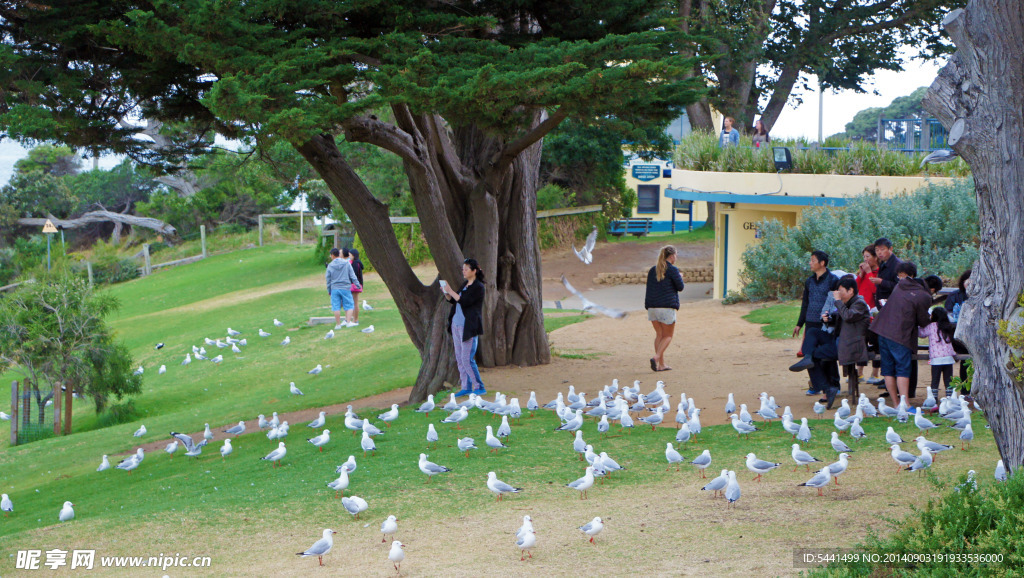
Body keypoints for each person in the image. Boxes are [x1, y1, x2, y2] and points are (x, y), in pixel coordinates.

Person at [868, 261, 932, 404]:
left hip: (881, 330)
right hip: (899, 334)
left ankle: (896, 403)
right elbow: (923, 320)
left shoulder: (899, 287)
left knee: (888, 369)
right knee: (902, 369)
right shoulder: (923, 295)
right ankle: (906, 404)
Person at [790, 251, 839, 395]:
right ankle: (817, 385)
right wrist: (800, 323)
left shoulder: (833, 280)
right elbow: (805, 303)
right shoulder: (809, 281)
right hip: (811, 322)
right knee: (808, 355)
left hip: (825, 324)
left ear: (822, 263)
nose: (810, 263)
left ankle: (834, 384)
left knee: (826, 356)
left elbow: (834, 303)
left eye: (812, 260)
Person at [442, 259, 486, 397]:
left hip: (469, 327)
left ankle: (479, 386)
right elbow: (454, 300)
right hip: (456, 325)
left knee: (467, 358)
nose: (463, 271)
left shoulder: (479, 287)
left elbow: (465, 301)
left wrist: (451, 290)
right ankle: (465, 386)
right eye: (463, 269)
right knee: (459, 358)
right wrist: (446, 293)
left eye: (466, 269)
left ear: (474, 271)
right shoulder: (465, 285)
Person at [644, 246, 685, 372]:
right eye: (676, 255)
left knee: (659, 335)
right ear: (672, 256)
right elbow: (680, 287)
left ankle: (661, 365)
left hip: (652, 307)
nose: (676, 258)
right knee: (668, 336)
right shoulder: (672, 270)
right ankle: (656, 358)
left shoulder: (652, 270)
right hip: (666, 307)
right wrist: (680, 277)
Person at [856, 245, 882, 385]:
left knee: (876, 341)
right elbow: (855, 288)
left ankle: (875, 373)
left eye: (868, 256)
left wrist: (869, 273)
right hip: (861, 311)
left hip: (875, 312)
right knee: (861, 340)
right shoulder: (865, 273)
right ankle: (859, 373)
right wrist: (861, 274)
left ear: (875, 258)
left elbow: (875, 290)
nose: (865, 260)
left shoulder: (879, 272)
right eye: (864, 257)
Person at [919, 307, 956, 399]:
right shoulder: (948, 326)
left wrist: (918, 325)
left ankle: (934, 400)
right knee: (948, 380)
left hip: (936, 359)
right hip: (948, 358)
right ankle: (950, 398)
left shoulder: (931, 326)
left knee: (935, 380)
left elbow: (921, 334)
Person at [326, 247, 360, 329]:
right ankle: (348, 322)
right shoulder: (346, 263)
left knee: (336, 306)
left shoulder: (330, 265)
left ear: (332, 255)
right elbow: (352, 275)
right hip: (345, 287)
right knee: (349, 304)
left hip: (334, 288)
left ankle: (338, 324)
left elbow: (328, 279)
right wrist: (357, 284)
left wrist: (329, 290)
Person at [871, 237, 903, 303]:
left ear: (890, 249)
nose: (879, 253)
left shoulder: (898, 265)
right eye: (877, 250)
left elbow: (900, 286)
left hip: (892, 302)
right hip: (881, 302)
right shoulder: (883, 262)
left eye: (882, 249)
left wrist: (881, 282)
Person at [344, 248, 365, 323]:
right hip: (356, 285)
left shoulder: (355, 263)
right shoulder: (355, 262)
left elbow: (354, 275)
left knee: (355, 302)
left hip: (355, 285)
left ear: (353, 255)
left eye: (350, 255)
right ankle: (354, 319)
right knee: (353, 302)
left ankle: (355, 319)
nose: (349, 256)